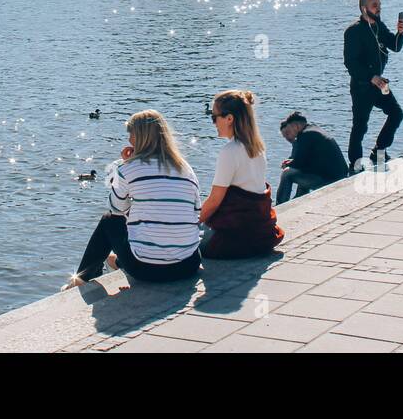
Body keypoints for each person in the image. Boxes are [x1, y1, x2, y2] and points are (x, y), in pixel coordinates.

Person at [67, 110, 201, 287]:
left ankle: (83, 278)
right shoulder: (185, 168)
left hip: (146, 270)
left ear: (139, 138)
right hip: (188, 265)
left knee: (109, 221)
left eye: (131, 135)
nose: (129, 139)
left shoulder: (129, 168)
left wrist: (124, 165)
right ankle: (118, 262)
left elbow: (116, 209)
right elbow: (196, 211)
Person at [199, 90, 284, 259]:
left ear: (229, 118)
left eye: (214, 117)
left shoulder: (229, 152)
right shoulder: (257, 149)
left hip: (234, 238)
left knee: (184, 237)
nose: (213, 122)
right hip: (260, 234)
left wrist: (191, 222)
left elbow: (214, 201)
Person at [343, 0, 403, 170]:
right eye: (374, 5)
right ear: (364, 9)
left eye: (379, 5)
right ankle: (355, 165)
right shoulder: (353, 31)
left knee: (396, 114)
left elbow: (395, 47)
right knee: (360, 126)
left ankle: (379, 152)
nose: (378, 9)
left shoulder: (379, 26)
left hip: (380, 85)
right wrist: (371, 77)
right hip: (362, 86)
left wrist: (400, 33)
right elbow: (350, 64)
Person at [275, 111, 349, 204]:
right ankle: (299, 199)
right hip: (339, 177)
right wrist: (292, 162)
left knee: (287, 174)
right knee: (302, 171)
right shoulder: (313, 130)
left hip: (331, 182)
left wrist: (287, 164)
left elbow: (299, 163)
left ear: (296, 126)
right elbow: (305, 161)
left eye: (289, 132)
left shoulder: (305, 136)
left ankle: (279, 206)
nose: (289, 137)